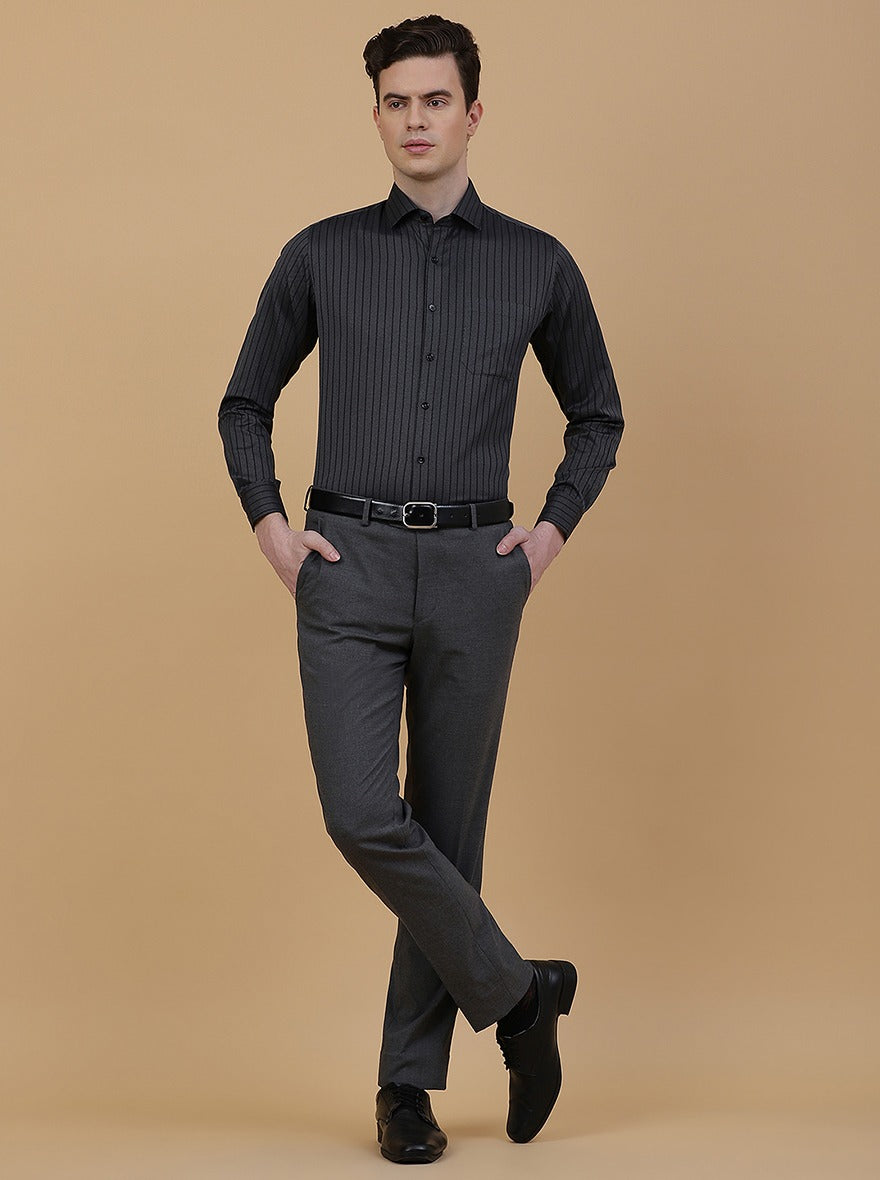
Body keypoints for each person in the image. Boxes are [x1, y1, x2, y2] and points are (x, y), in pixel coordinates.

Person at [218, 14, 623, 1164]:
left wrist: (545, 539)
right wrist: (273, 531)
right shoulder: (321, 253)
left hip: (475, 571)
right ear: (377, 115)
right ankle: (522, 994)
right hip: (344, 563)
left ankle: (407, 1087)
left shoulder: (536, 263)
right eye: (396, 102)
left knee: (448, 826)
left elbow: (597, 415)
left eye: (434, 100)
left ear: (472, 113)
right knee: (362, 813)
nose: (415, 120)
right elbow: (244, 401)